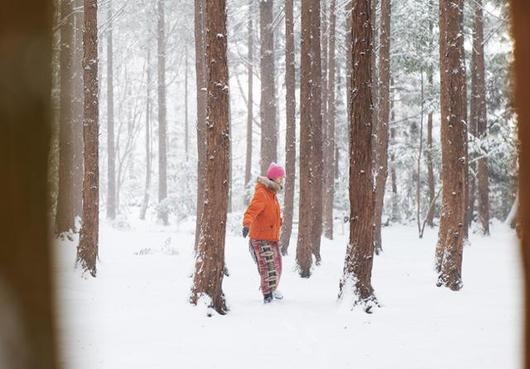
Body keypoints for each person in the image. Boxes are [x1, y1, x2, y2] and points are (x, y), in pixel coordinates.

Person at [242, 162, 285, 303]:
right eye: (280, 177)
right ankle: (267, 295)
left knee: (277, 266)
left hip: (271, 237)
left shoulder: (272, 194)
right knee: (267, 266)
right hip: (260, 238)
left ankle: (272, 288)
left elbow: (271, 214)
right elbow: (252, 210)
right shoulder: (262, 192)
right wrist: (246, 224)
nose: (282, 180)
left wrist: (279, 222)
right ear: (273, 178)